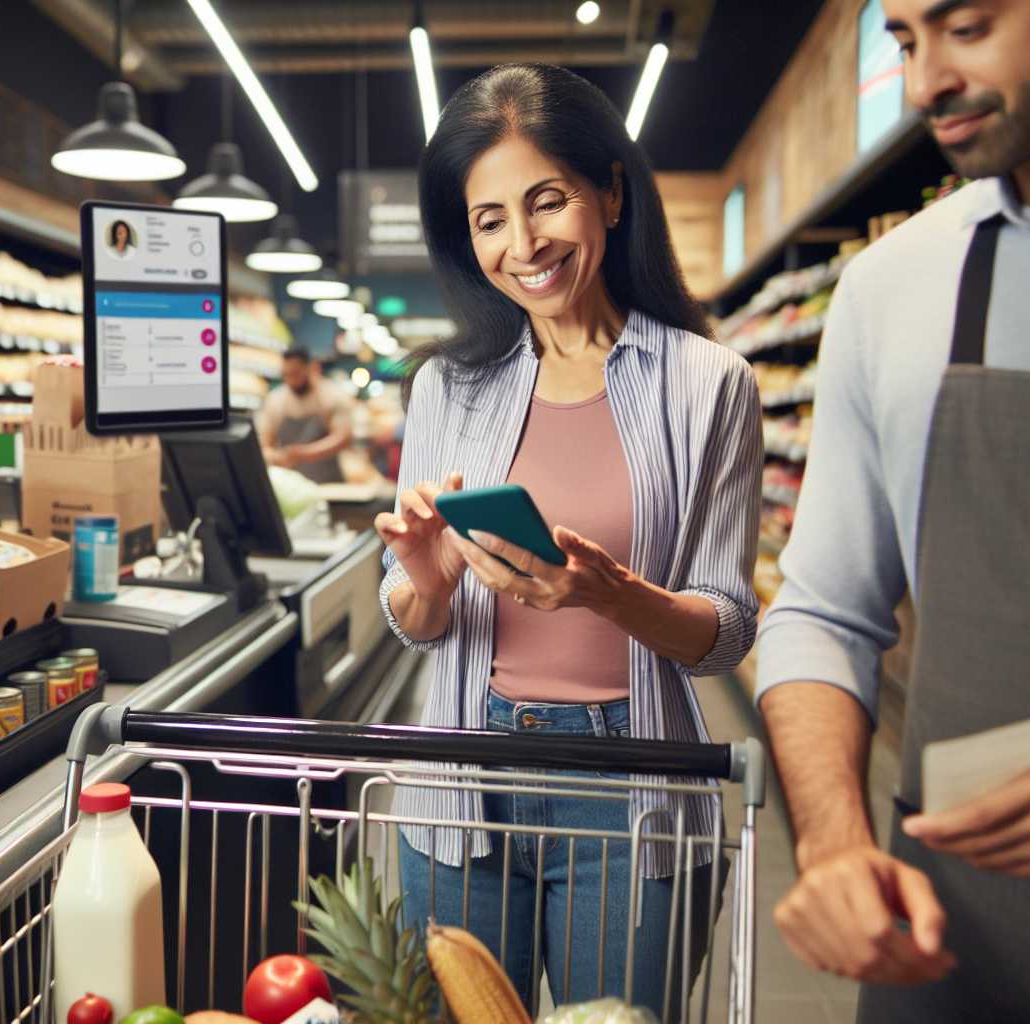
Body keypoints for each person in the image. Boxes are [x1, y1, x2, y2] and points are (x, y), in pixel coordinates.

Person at [753, 1, 1030, 1021]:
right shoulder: (889, 287)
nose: (923, 87)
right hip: (949, 943)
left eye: (967, 27)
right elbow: (822, 610)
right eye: (907, 41)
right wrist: (832, 842)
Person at [376, 63, 762, 1014]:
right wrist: (425, 582)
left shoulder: (709, 384)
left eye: (547, 201)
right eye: (490, 219)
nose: (524, 243)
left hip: (632, 789)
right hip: (464, 782)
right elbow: (415, 618)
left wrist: (608, 594)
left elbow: (728, 631)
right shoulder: (447, 388)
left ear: (612, 195)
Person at [256, 347, 353, 483]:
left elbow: (343, 437)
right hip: (291, 484)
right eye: (287, 375)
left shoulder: (332, 395)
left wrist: (303, 453)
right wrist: (275, 456)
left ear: (312, 368)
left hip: (329, 482)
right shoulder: (275, 400)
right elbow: (263, 444)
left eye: (296, 374)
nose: (292, 381)